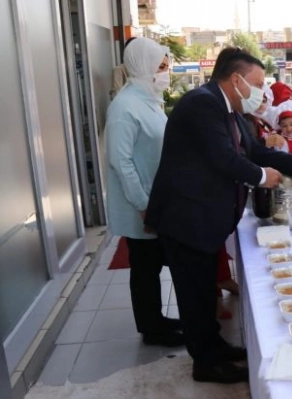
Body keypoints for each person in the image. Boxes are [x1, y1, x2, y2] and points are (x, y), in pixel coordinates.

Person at [145, 47, 292, 384]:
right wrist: (262, 177)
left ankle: (213, 346)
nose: (263, 92)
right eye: (258, 83)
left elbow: (255, 150)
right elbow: (224, 158)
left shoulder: (230, 109)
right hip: (186, 217)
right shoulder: (202, 104)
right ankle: (205, 363)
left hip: (203, 216)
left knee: (204, 291)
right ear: (236, 80)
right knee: (194, 293)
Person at [104, 38, 183, 347]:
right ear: (143, 66)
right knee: (145, 266)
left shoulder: (149, 99)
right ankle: (152, 328)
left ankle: (157, 320)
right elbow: (120, 162)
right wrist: (143, 205)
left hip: (157, 197)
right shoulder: (124, 107)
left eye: (166, 66)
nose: (165, 72)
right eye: (161, 66)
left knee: (150, 265)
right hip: (142, 203)